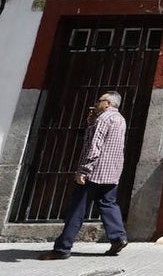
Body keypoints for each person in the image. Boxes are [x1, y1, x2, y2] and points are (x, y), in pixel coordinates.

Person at [39, 91, 129, 259]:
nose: (96, 104)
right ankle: (118, 237)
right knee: (108, 203)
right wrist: (90, 124)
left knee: (77, 208)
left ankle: (62, 248)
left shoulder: (104, 119)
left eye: (99, 101)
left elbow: (95, 146)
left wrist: (84, 170)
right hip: (112, 171)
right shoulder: (120, 119)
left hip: (95, 172)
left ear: (108, 104)